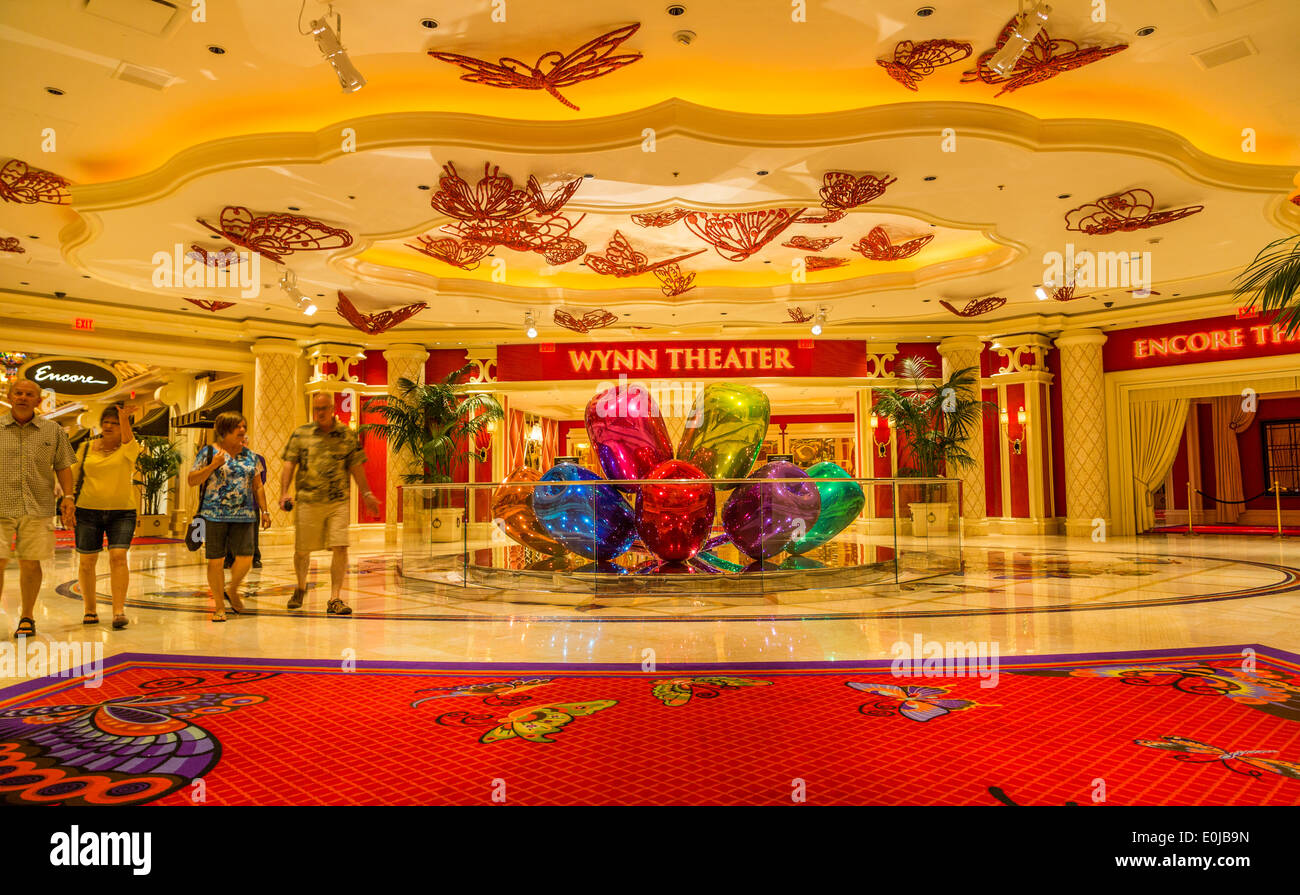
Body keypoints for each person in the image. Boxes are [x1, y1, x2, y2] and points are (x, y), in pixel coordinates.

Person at [280, 392, 379, 615]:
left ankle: (335, 597)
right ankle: (301, 587)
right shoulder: (301, 434)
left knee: (340, 546)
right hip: (308, 500)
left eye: (324, 408)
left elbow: (356, 466)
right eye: (317, 409)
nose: (321, 413)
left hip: (338, 501)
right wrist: (284, 492)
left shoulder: (346, 435)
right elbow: (289, 464)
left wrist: (366, 493)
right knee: (302, 550)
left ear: (332, 408)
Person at [0, 378, 75, 638]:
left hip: (37, 506)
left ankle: (27, 616)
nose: (22, 397)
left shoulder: (52, 430)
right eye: (18, 393)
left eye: (29, 394)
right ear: (9, 397)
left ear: (39, 401)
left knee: (30, 563)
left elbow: (63, 465)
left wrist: (69, 496)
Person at [187, 411, 270, 622]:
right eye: (237, 427)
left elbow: (258, 486)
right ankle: (218, 606)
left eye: (244, 426)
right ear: (225, 431)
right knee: (215, 561)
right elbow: (192, 480)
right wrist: (213, 465)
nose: (242, 431)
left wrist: (265, 510)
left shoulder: (251, 456)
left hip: (245, 515)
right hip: (213, 515)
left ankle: (232, 589)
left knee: (246, 557)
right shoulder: (208, 453)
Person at [72, 403, 140, 630]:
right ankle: (90, 609)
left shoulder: (129, 449)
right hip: (87, 510)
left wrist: (124, 419)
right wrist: (68, 501)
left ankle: (118, 610)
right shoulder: (85, 448)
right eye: (106, 422)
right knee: (87, 561)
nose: (109, 426)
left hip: (122, 511)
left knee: (119, 556)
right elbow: (73, 476)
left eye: (115, 423)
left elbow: (130, 442)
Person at [225, 434, 266, 570]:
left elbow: (260, 483)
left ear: (247, 443)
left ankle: (255, 557)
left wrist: (264, 511)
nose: (242, 445)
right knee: (230, 533)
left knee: (252, 534)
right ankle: (229, 557)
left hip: (250, 502)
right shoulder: (226, 459)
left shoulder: (257, 459)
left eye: (244, 442)